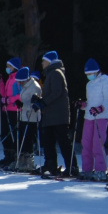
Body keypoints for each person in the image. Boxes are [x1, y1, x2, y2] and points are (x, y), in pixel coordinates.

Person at [36, 50, 78, 178]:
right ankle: (50, 164)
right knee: (48, 140)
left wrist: (44, 102)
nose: (42, 63)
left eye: (44, 61)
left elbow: (56, 92)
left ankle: (72, 167)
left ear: (49, 61)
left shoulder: (55, 73)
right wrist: (40, 101)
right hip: (51, 114)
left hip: (59, 115)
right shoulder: (50, 74)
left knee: (63, 141)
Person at [78, 58, 108, 181]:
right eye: (87, 74)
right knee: (86, 143)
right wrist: (83, 105)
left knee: (98, 143)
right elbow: (90, 102)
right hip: (89, 116)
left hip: (101, 117)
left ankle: (101, 170)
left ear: (96, 72)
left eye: (90, 74)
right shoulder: (89, 84)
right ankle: (87, 169)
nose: (88, 76)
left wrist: (100, 108)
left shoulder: (106, 80)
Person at [0, 57, 22, 168]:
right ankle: (8, 156)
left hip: (15, 110)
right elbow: (3, 93)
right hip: (6, 109)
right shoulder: (10, 78)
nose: (7, 68)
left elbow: (21, 94)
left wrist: (10, 100)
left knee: (13, 134)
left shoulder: (18, 78)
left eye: (9, 66)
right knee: (5, 133)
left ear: (14, 67)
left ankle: (15, 157)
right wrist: (0, 82)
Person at [13, 66, 42, 172]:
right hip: (24, 116)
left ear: (26, 79)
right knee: (21, 139)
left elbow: (34, 103)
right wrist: (21, 104)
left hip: (32, 117)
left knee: (28, 139)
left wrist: (24, 105)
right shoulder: (25, 86)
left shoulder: (34, 87)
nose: (19, 84)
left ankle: (29, 162)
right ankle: (21, 160)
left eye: (20, 81)